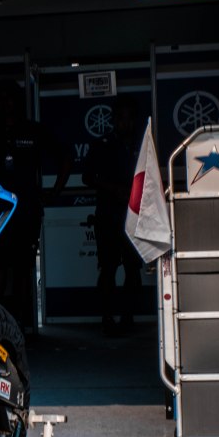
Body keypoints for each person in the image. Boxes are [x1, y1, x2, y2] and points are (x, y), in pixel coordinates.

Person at [0, 79, 71, 332]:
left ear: (19, 101)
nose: (7, 104)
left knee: (24, 269)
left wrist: (54, 192)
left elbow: (65, 158)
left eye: (11, 98)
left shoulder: (33, 131)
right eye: (2, 99)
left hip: (26, 212)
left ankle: (22, 328)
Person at [82, 96, 143, 336]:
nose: (124, 123)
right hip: (108, 216)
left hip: (135, 216)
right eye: (120, 118)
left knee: (133, 270)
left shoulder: (143, 144)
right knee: (108, 269)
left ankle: (128, 318)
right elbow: (87, 177)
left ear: (135, 120)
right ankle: (107, 318)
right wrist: (113, 188)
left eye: (129, 118)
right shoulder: (102, 144)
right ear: (113, 120)